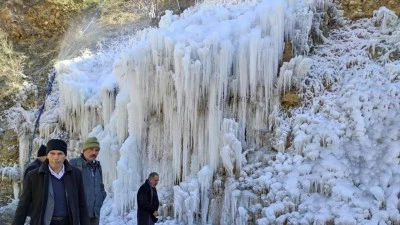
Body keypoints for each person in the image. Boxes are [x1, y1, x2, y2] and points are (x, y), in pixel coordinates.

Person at [12, 139, 89, 225]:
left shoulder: (75, 174)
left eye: (60, 153)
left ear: (65, 156)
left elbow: (82, 203)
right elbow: (23, 205)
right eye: (52, 153)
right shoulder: (34, 176)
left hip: (68, 221)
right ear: (47, 155)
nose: (56, 157)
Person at [70, 137, 107, 225]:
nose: (94, 152)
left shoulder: (98, 166)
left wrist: (101, 197)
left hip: (95, 213)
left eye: (96, 150)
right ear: (84, 149)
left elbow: (101, 186)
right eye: (91, 149)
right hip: (80, 215)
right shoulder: (74, 164)